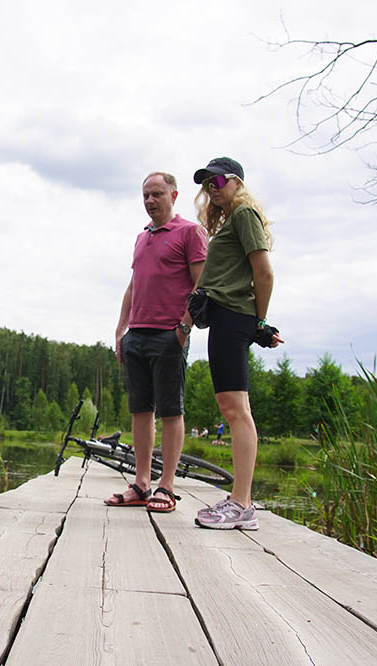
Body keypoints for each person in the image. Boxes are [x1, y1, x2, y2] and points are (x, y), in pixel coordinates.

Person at [189, 157, 283, 531]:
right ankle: (240, 500)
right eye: (206, 183)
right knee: (232, 407)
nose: (211, 188)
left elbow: (264, 272)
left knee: (235, 409)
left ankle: (242, 504)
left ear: (237, 182)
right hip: (227, 317)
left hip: (233, 317)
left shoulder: (244, 214)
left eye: (218, 180)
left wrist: (258, 322)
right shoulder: (232, 219)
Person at [106, 172, 208, 513]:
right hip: (136, 334)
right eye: (146, 195)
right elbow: (133, 285)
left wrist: (184, 327)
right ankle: (141, 483)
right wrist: (121, 329)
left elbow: (201, 285)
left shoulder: (190, 232)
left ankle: (166, 486)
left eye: (157, 194)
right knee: (140, 410)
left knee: (170, 410)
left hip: (169, 335)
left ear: (173, 196)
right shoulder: (141, 237)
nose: (150, 201)